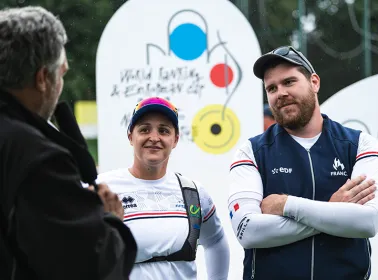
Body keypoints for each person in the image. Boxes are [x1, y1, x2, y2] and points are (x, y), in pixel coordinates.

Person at [228, 45, 378, 280]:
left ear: (314, 82)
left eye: (289, 82)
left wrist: (286, 205)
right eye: (271, 88)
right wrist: (335, 211)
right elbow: (249, 232)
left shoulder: (360, 144)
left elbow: (369, 222)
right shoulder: (250, 151)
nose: (280, 93)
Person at [0, 6, 136, 279]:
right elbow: (95, 267)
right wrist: (109, 219)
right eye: (61, 74)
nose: (60, 84)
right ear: (42, 79)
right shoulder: (38, 157)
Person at [97, 96, 230, 280]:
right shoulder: (104, 189)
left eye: (163, 130)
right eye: (144, 129)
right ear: (130, 137)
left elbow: (215, 242)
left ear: (175, 139)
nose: (154, 138)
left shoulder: (193, 193)